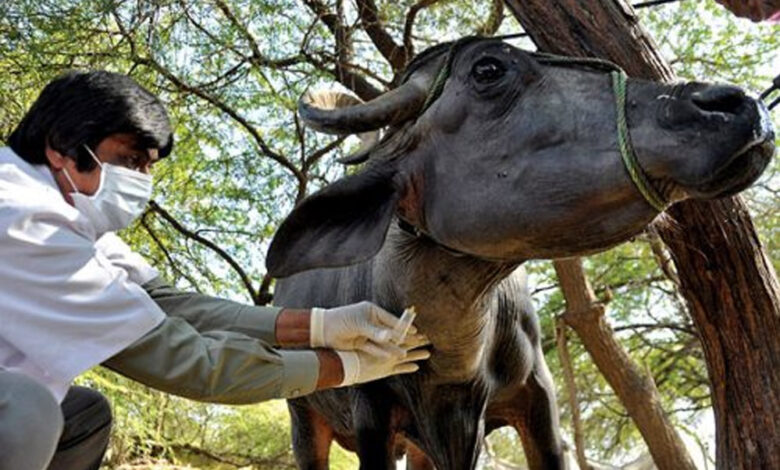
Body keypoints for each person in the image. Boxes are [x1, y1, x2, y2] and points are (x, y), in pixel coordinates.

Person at [0, 71, 430, 470]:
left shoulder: (71, 219)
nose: (142, 181)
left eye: (149, 166)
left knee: (83, 416)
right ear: (61, 148)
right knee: (27, 407)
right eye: (130, 161)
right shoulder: (25, 221)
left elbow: (169, 304)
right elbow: (191, 364)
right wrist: (348, 366)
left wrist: (323, 326)